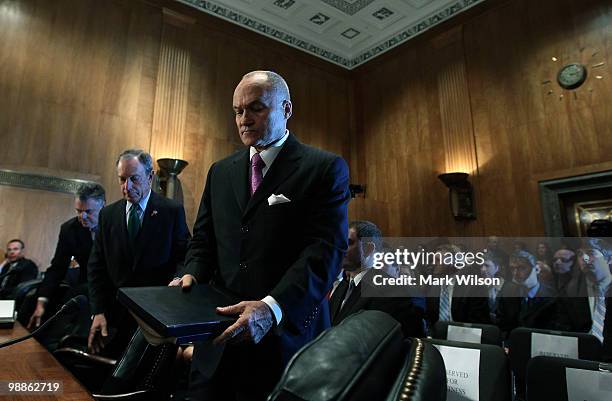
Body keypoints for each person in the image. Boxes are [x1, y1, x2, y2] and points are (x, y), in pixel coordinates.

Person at [172, 70, 350, 401]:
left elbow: (325, 252)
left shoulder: (325, 168)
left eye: (256, 108)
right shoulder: (220, 171)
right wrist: (191, 274)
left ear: (286, 109)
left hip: (287, 346)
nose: (244, 119)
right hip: (219, 343)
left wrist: (271, 308)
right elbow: (204, 240)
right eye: (238, 111)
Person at [87, 149, 190, 358]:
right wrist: (97, 310)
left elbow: (185, 256)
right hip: (114, 317)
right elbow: (96, 267)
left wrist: (178, 280)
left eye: (134, 179)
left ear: (150, 177)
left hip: (156, 317)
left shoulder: (171, 211)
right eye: (122, 179)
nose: (127, 187)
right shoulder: (108, 215)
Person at [27, 183, 106, 334]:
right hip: (84, 284)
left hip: (109, 287)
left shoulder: (116, 225)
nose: (82, 217)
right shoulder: (69, 229)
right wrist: (42, 301)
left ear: (103, 205)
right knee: (35, 300)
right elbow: (57, 268)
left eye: (88, 211)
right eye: (78, 211)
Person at [329, 221, 425, 337]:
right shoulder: (342, 286)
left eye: (348, 242)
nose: (340, 248)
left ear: (368, 248)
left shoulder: (390, 291)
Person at [557, 238, 611, 344]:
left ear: (608, 258)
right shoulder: (568, 292)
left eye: (591, 253)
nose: (585, 259)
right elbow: (565, 330)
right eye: (580, 254)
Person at [425, 244, 490, 330]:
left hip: (465, 337)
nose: (433, 264)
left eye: (438, 260)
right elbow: (430, 321)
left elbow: (477, 326)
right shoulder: (432, 286)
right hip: (438, 338)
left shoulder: (474, 288)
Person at [496, 250, 557, 338]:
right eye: (513, 269)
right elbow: (501, 324)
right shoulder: (507, 291)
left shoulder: (551, 296)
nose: (515, 273)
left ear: (536, 269)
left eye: (522, 268)